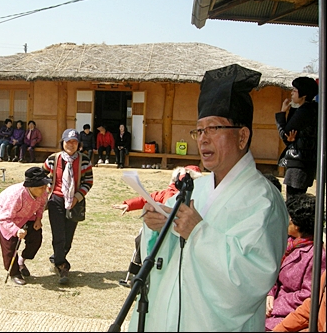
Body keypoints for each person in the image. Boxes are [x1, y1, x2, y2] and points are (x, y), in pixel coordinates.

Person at [128, 63, 289, 331]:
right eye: (199, 131)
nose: (202, 139)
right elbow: (159, 252)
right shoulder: (196, 190)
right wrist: (156, 225)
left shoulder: (263, 201)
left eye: (213, 129)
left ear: (242, 136)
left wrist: (198, 232)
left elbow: (249, 281)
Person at [112, 165, 202, 284]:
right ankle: (139, 270)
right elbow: (147, 198)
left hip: (180, 236)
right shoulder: (168, 192)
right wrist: (129, 204)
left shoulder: (197, 198)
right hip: (158, 230)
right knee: (140, 240)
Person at [265, 194, 326, 331]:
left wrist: (275, 305)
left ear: (298, 226)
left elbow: (308, 295)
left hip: (287, 313)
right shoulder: (287, 243)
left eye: (289, 220)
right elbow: (271, 270)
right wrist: (269, 294)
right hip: (269, 302)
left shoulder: (316, 256)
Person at [42, 128, 93, 284]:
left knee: (68, 236)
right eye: (68, 141)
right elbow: (42, 176)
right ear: (62, 142)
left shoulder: (84, 160)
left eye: (74, 142)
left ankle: (56, 258)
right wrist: (48, 189)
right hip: (56, 199)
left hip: (74, 202)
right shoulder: (53, 159)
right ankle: (62, 266)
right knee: (58, 235)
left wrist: (77, 197)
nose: (71, 145)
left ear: (79, 144)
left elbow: (88, 181)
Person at [0, 167, 51, 286]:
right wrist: (16, 230)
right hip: (8, 217)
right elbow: (4, 218)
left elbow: (41, 205)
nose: (45, 189)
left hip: (28, 215)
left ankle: (22, 261)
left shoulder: (42, 192)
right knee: (10, 247)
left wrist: (38, 218)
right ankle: (14, 273)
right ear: (31, 186)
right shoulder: (16, 196)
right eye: (41, 187)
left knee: (36, 238)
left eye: (45, 186)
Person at [276, 76, 318, 200]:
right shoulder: (312, 109)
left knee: (293, 200)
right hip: (306, 161)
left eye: (295, 90)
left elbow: (285, 134)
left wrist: (282, 113)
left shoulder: (305, 111)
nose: (292, 93)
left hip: (299, 161)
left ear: (303, 94)